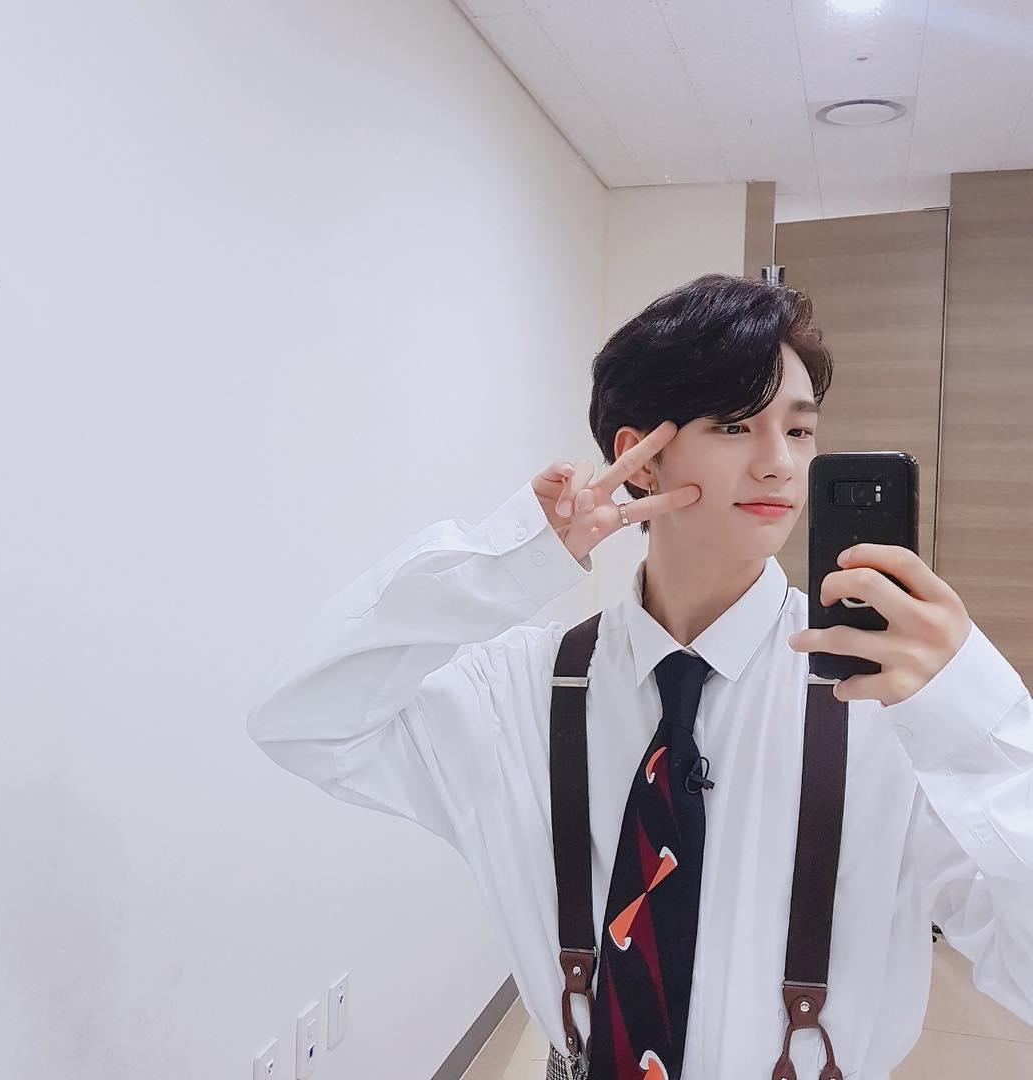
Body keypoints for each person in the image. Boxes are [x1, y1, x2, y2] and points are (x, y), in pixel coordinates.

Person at [246, 273, 1033, 1080]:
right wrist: (507, 564)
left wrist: (978, 717)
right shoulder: (525, 691)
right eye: (735, 425)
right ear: (641, 458)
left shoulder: (889, 705)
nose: (779, 465)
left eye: (799, 431)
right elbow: (303, 720)